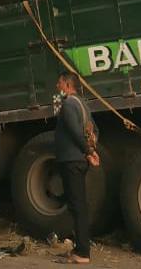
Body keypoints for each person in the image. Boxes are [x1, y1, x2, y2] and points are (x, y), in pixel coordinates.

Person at [54, 72, 100, 265]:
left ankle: (82, 252)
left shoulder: (68, 104)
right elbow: (94, 130)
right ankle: (79, 248)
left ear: (67, 84)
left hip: (72, 161)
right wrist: (92, 150)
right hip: (80, 161)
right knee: (78, 204)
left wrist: (88, 151)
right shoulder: (83, 105)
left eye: (59, 82)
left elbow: (74, 131)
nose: (57, 86)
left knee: (77, 206)